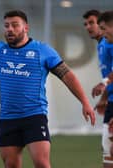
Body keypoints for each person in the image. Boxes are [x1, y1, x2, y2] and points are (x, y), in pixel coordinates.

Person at [0, 10, 95, 168]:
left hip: (34, 116)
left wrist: (85, 102)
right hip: (8, 119)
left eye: (15, 25)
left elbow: (67, 76)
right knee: (11, 165)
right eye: (6, 26)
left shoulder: (42, 51)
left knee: (42, 163)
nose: (10, 29)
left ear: (26, 28)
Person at [83, 9, 113, 167]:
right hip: (111, 101)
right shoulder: (103, 45)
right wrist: (104, 98)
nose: (89, 27)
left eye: (92, 23)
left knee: (109, 148)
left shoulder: (108, 45)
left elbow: (109, 77)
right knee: (107, 149)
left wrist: (104, 83)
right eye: (86, 24)